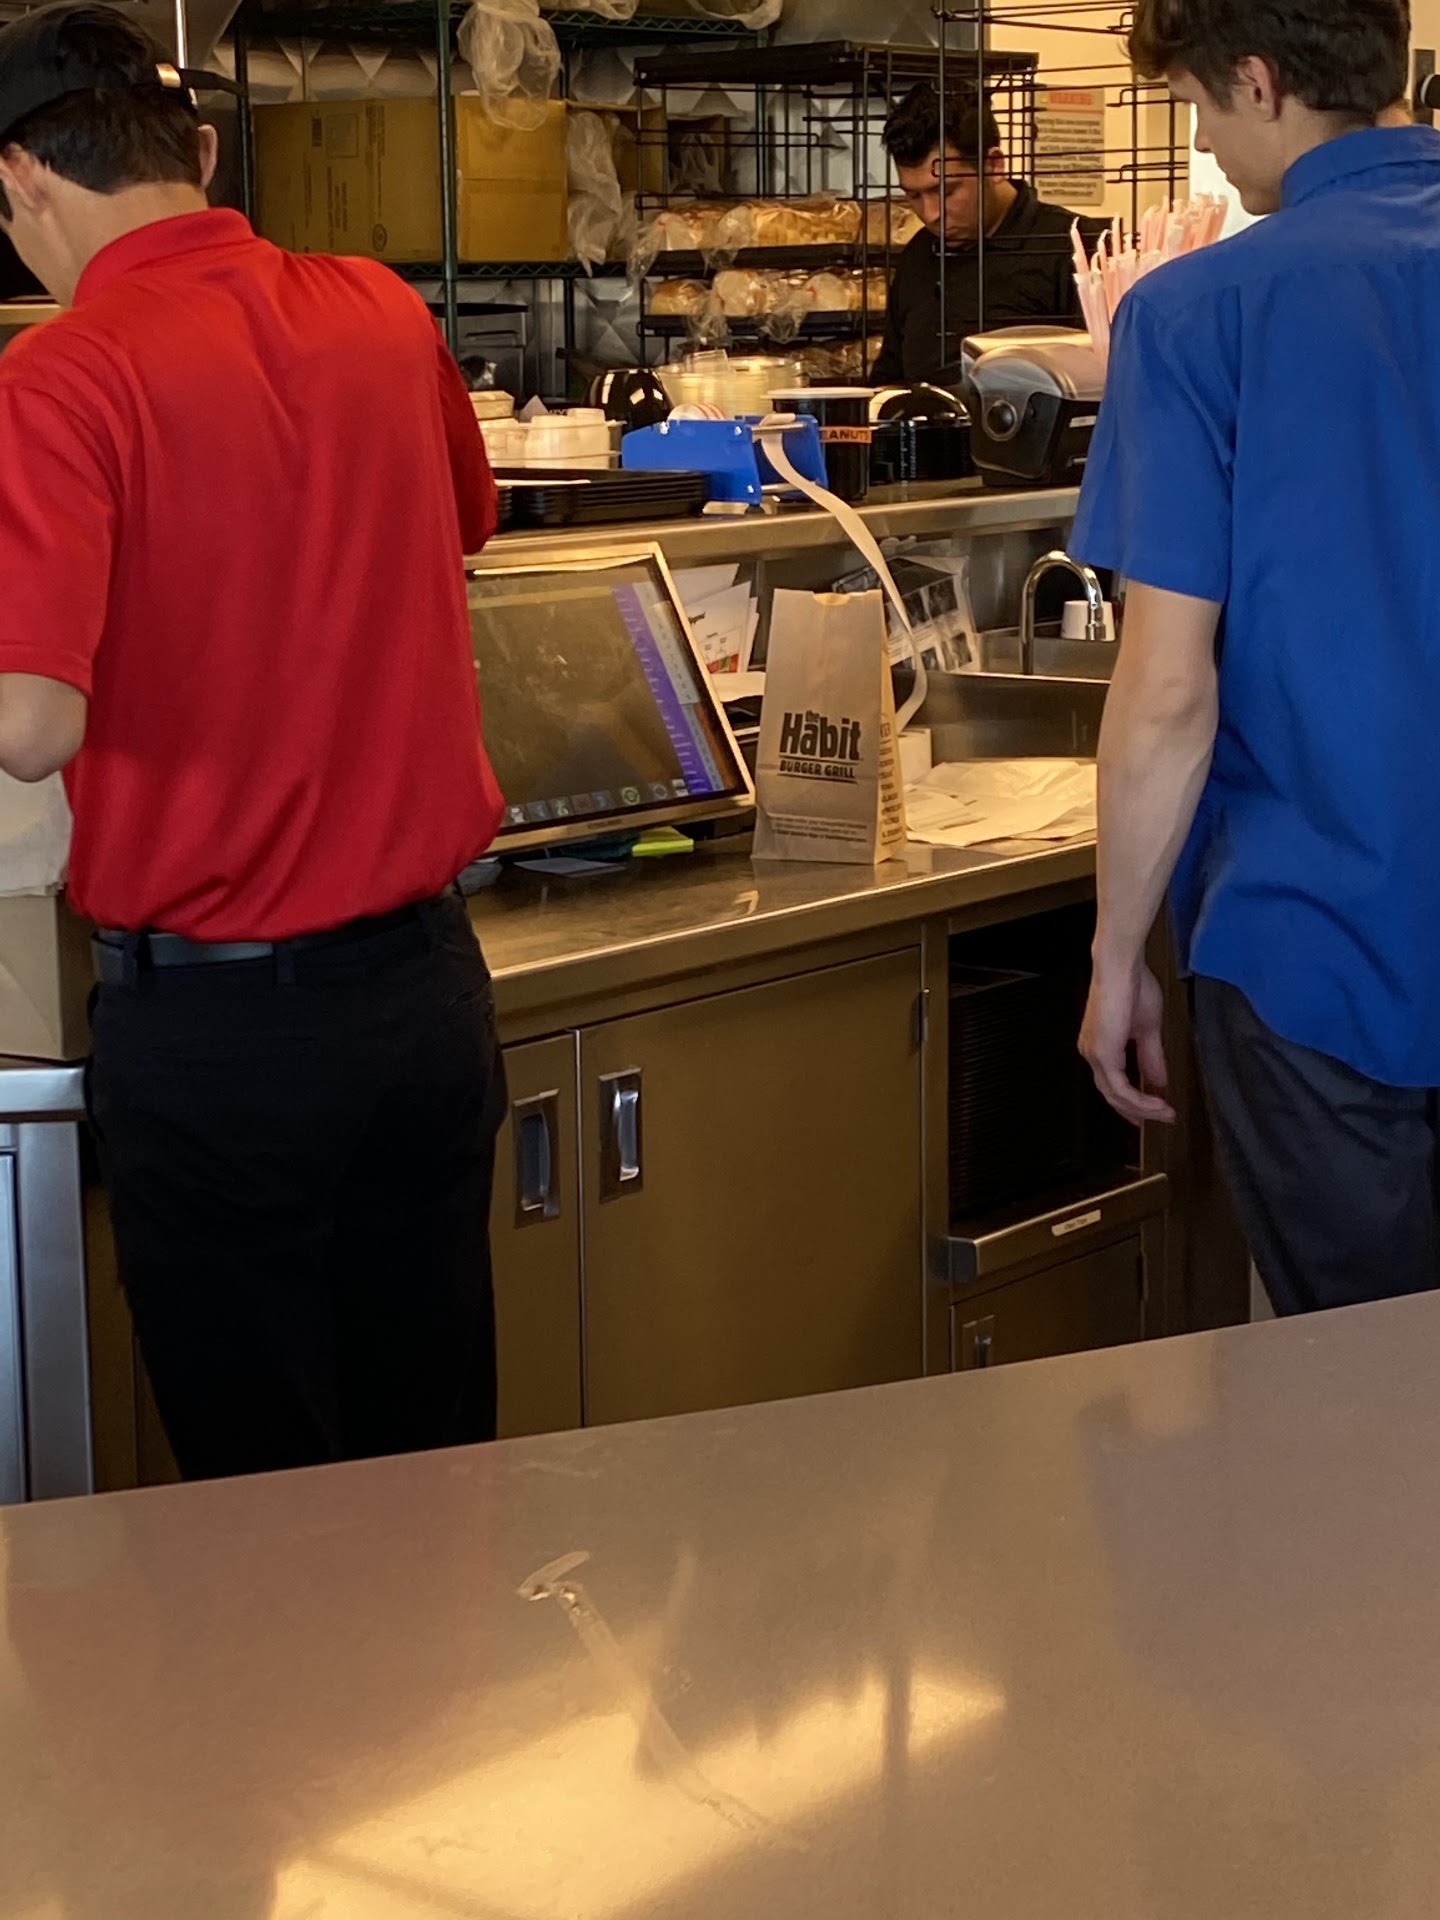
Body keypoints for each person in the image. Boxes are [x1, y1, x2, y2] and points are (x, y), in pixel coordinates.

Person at [0, 0, 509, 1478]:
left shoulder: (62, 376)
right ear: (205, 151)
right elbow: (463, 525)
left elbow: (30, 724)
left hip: (225, 1042)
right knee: (434, 1478)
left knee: (261, 1521)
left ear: (22, 177)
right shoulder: (380, 310)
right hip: (424, 1002)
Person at [1071, 0, 1439, 1317]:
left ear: (1262, 81)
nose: (1210, 151)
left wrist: (1117, 955)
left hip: (1315, 953)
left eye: (1200, 110)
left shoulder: (1198, 314)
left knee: (1363, 1395)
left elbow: (1168, 691)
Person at [872, 81, 1107, 386]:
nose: (930, 214)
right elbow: (888, 381)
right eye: (913, 195)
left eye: (946, 191)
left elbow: (1107, 381)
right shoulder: (917, 256)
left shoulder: (1076, 249)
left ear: (994, 165)